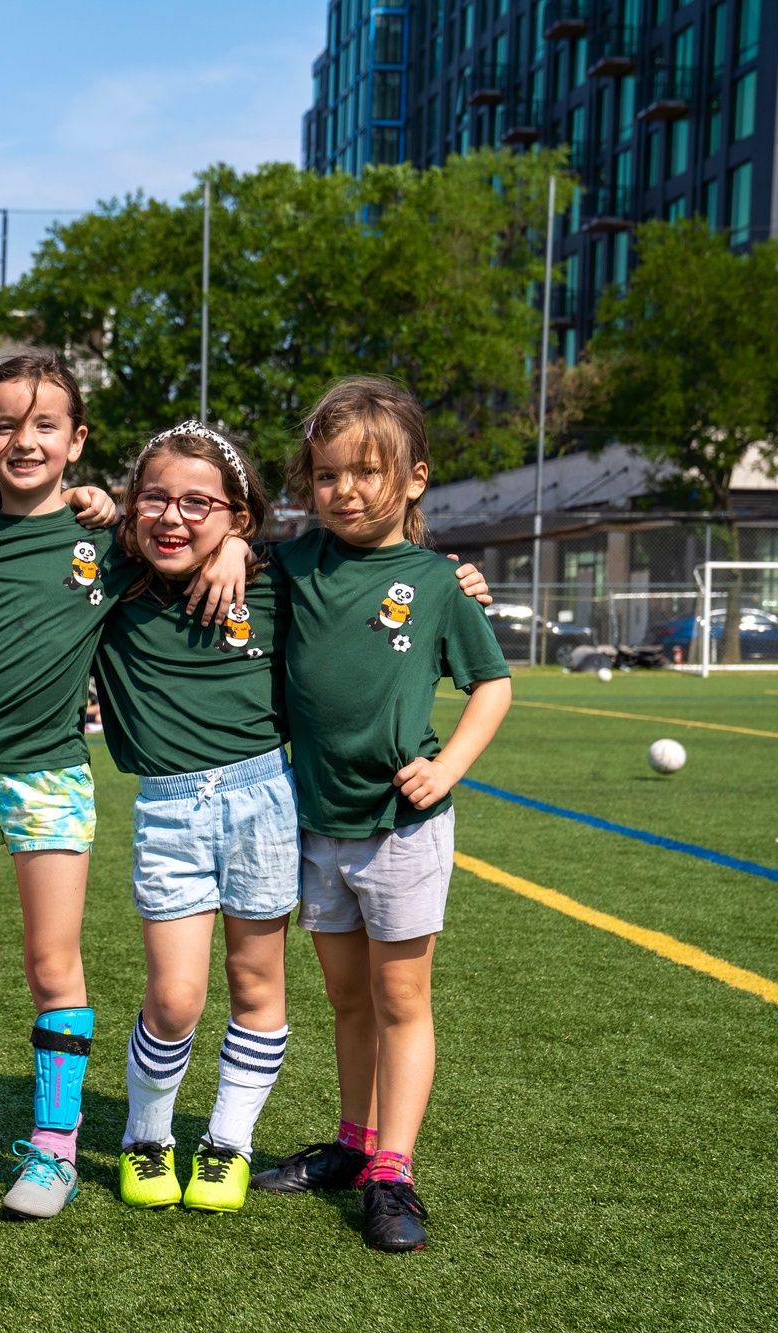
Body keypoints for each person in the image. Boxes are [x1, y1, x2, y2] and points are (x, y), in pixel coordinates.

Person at [0, 355, 246, 1221]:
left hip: (52, 779)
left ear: (78, 440)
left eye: (45, 425)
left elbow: (193, 532)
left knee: (53, 962)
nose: (23, 440)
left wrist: (240, 541)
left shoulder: (108, 537)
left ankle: (55, 1152)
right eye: (3, 424)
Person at [251, 375, 511, 1254]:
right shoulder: (292, 564)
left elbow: (492, 685)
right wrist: (225, 554)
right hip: (317, 822)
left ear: (415, 478)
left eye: (367, 472)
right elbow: (229, 554)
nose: (345, 491)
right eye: (326, 475)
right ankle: (353, 1143)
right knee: (346, 995)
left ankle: (393, 1171)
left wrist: (449, 765)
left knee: (401, 995)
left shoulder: (439, 582)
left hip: (400, 826)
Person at [91, 421, 301, 1218]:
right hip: (170, 807)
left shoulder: (276, 581)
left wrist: (459, 579)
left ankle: (228, 1144)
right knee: (175, 996)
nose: (172, 517)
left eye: (197, 503)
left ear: (239, 516)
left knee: (256, 982)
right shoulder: (113, 581)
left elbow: (372, 576)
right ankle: (148, 1134)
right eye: (156, 497)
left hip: (265, 799)